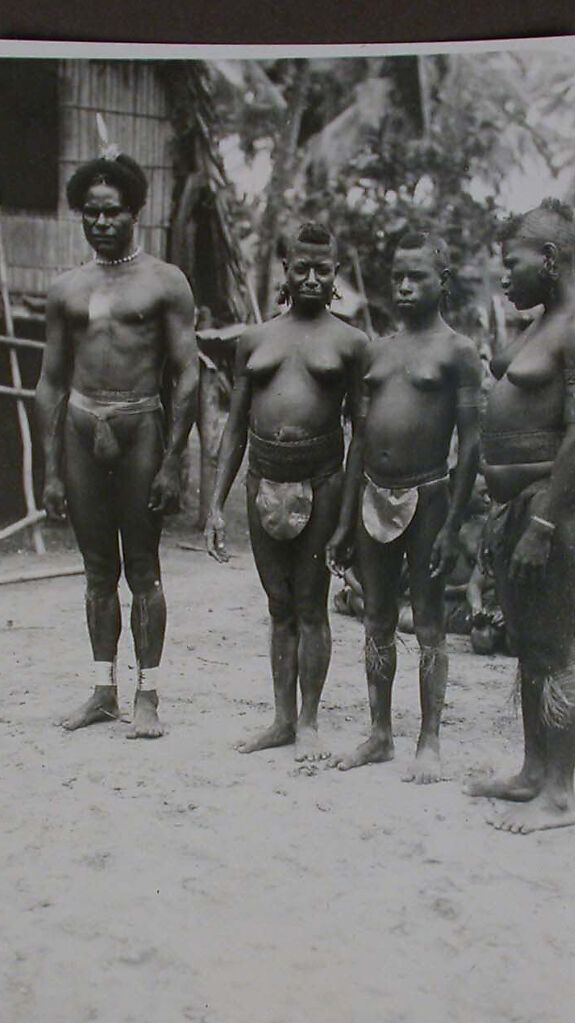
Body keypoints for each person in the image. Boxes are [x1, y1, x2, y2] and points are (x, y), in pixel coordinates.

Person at [35, 150, 199, 738]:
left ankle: (147, 694)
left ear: (135, 212)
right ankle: (103, 690)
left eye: (112, 213)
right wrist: (50, 470)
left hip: (140, 429)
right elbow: (51, 381)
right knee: (96, 569)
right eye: (90, 214)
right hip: (82, 428)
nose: (101, 223)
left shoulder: (165, 282)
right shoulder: (66, 289)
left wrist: (175, 460)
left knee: (144, 569)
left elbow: (188, 374)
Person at [466, 199, 575, 832]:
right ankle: (532, 773)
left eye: (513, 262)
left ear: (549, 260)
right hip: (513, 507)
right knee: (527, 646)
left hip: (550, 509)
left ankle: (560, 793)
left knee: (555, 649)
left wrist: (544, 524)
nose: (505, 275)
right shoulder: (541, 321)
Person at [205, 223, 368, 760]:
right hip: (261, 480)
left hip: (322, 481)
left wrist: (347, 516)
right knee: (278, 607)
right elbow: (233, 429)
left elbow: (361, 435)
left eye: (324, 269)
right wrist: (214, 503)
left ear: (336, 274)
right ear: (286, 271)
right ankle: (279, 719)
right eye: (303, 268)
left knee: (312, 606)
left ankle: (310, 722)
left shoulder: (351, 343)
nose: (313, 278)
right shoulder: (254, 340)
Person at [326, 230, 482, 783]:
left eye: (417, 276)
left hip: (430, 494)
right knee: (375, 617)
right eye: (398, 276)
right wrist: (345, 520)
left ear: (441, 283)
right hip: (372, 491)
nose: (405, 286)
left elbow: (471, 444)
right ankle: (379, 733)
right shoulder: (376, 350)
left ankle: (430, 740)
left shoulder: (458, 351)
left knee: (431, 621)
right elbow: (359, 442)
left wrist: (454, 523)